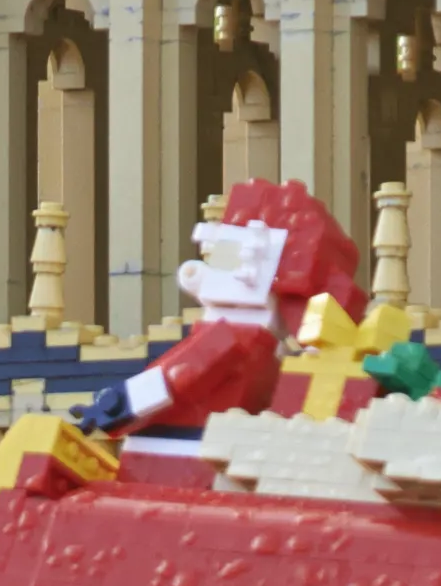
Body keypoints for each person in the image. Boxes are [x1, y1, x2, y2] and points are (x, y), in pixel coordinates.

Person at [111, 180, 366, 443]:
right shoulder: (274, 353)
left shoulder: (230, 338)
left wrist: (114, 405)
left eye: (226, 252)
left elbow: (175, 377)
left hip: (177, 450)